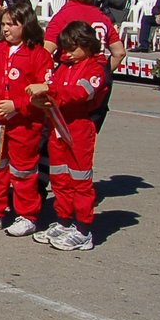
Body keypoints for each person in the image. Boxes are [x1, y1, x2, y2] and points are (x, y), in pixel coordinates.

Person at [0, 4, 53, 237]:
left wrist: (16, 104)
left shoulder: (39, 54)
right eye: (3, 24)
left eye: (11, 24)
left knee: (23, 171)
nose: (5, 29)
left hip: (25, 124)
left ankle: (27, 215)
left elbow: (43, 92)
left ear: (26, 25)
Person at [26, 22, 109, 251]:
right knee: (60, 177)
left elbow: (80, 93)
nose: (67, 54)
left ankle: (83, 229)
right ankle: (63, 221)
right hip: (58, 125)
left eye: (72, 49)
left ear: (87, 45)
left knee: (80, 180)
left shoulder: (96, 68)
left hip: (79, 127)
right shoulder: (64, 65)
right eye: (64, 49)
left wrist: (48, 90)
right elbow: (52, 85)